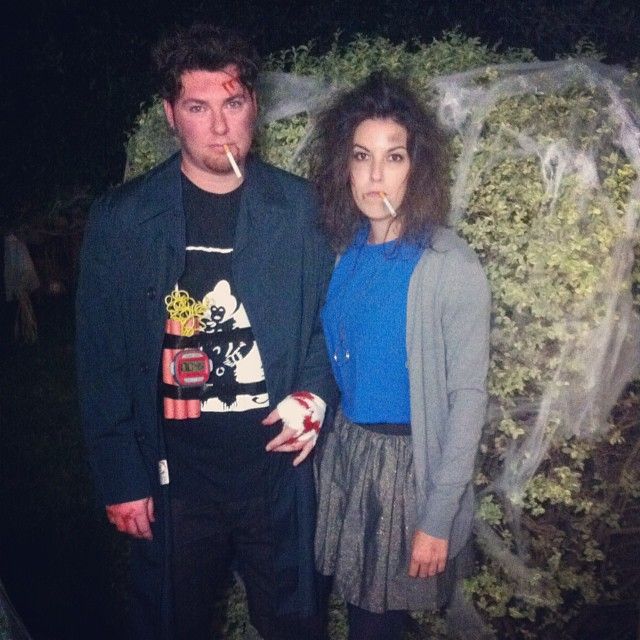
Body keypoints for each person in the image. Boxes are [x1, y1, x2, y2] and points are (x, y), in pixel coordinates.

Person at [76, 24, 335, 640]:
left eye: (233, 103)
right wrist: (121, 475)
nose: (219, 127)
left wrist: (317, 392)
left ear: (254, 109)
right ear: (171, 114)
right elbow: (101, 356)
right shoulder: (123, 219)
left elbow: (333, 320)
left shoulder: (303, 211)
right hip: (173, 487)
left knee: (296, 627)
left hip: (276, 481)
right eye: (199, 107)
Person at [310, 73, 491, 640]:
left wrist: (437, 517)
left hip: (405, 471)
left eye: (393, 157)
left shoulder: (448, 264)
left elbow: (467, 399)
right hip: (345, 456)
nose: (374, 175)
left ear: (418, 166)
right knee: (351, 612)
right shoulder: (346, 250)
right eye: (362, 156)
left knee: (376, 628)